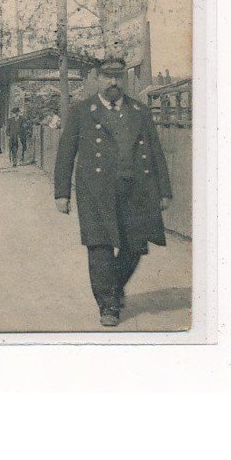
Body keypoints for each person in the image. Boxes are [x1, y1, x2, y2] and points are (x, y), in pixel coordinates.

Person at [54, 56, 172, 327]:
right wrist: (62, 192)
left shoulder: (140, 111)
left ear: (125, 79)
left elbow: (156, 153)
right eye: (108, 77)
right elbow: (65, 154)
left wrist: (163, 191)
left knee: (135, 247)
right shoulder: (81, 111)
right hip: (95, 192)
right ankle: (108, 304)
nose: (113, 82)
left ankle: (114, 286)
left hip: (135, 190)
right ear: (97, 78)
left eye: (118, 77)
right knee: (100, 246)